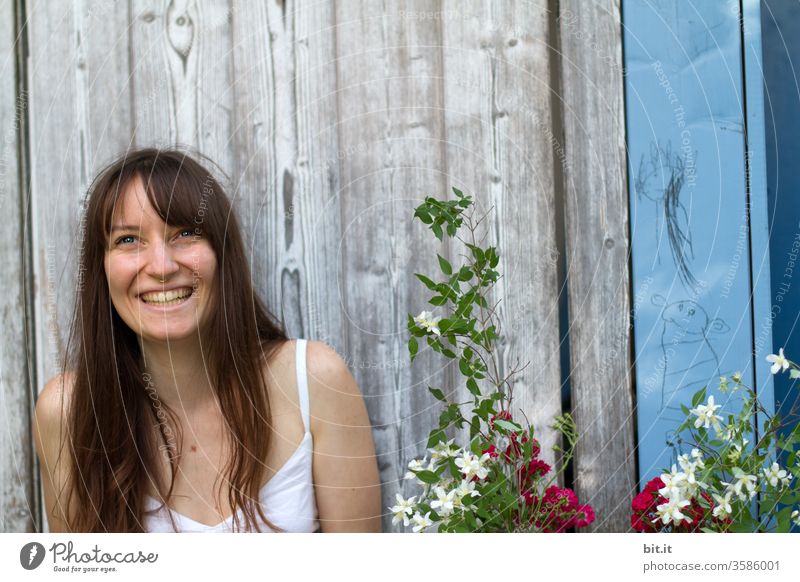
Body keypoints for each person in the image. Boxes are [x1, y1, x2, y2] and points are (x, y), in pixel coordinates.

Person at [32, 148, 382, 532]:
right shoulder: (68, 413)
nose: (162, 267)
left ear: (221, 253)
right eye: (129, 240)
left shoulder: (314, 381)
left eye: (184, 233)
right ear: (101, 269)